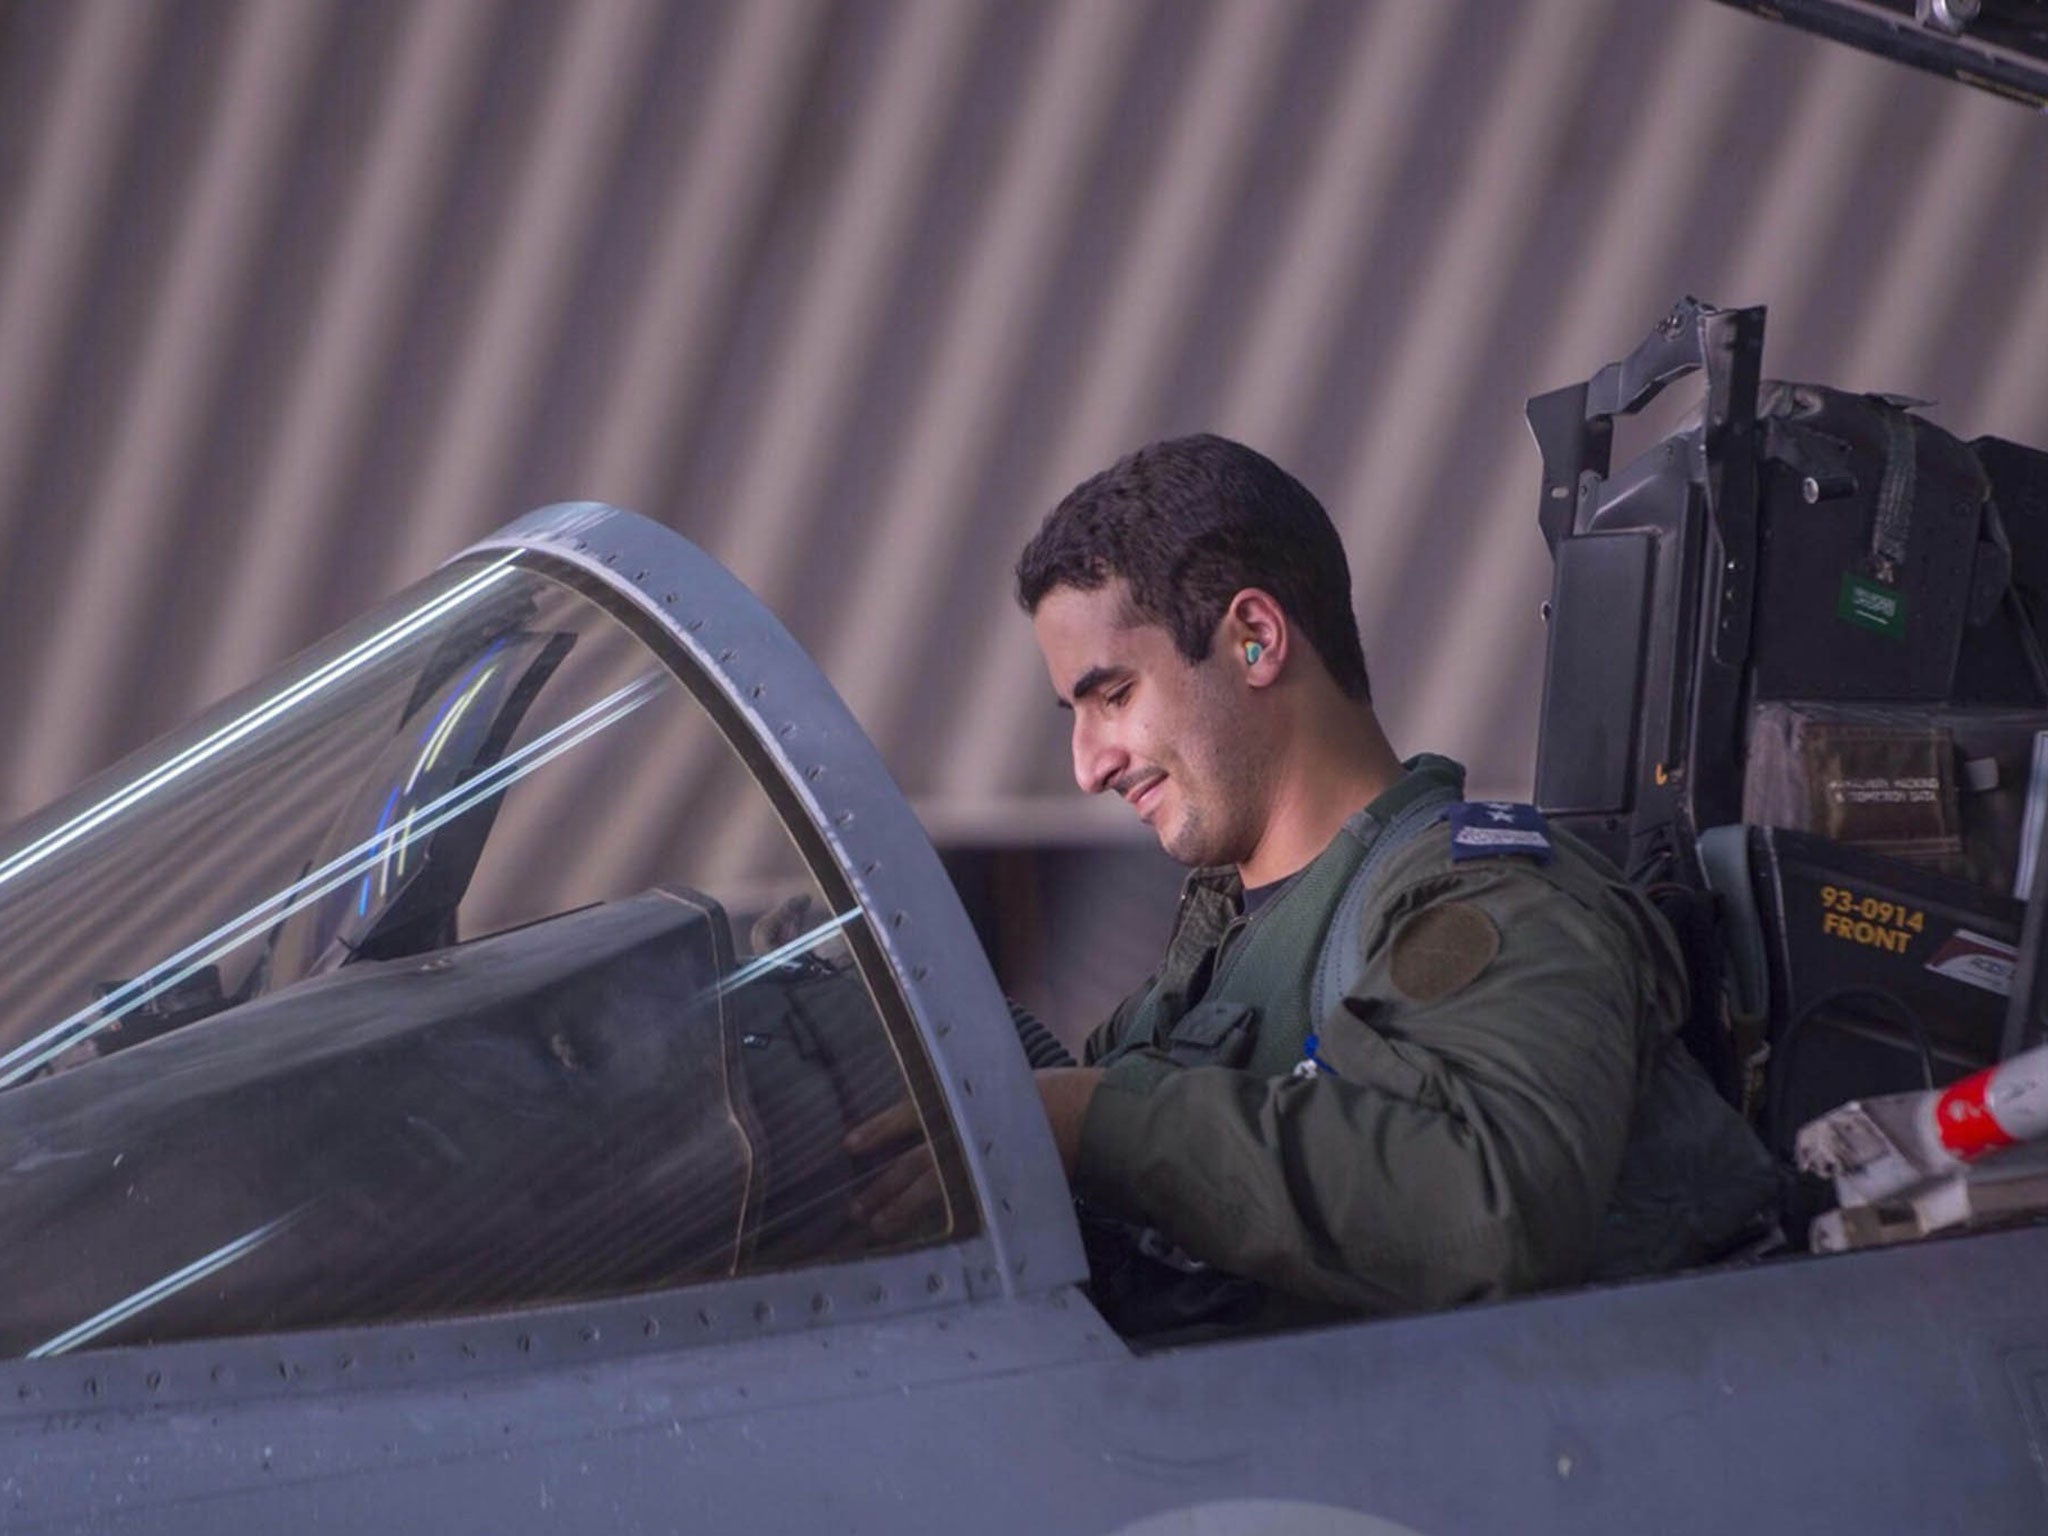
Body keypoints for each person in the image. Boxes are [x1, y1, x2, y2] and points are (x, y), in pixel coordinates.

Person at [996, 432, 1775, 1326]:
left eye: (1115, 696)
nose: (1088, 765)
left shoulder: (1493, 903)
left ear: (1255, 640)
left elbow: (1487, 1208)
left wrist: (1094, 1123)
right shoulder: (1215, 959)